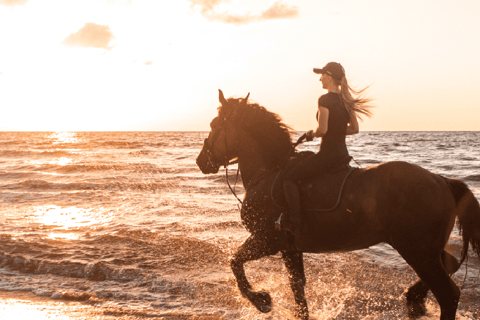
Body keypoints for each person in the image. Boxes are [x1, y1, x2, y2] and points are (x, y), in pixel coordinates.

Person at [280, 62, 373, 234]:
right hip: (343, 154)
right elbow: (354, 129)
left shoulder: (324, 100)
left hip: (328, 155)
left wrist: (310, 134)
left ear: (329, 77)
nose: (320, 79)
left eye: (322, 76)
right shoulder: (347, 100)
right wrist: (335, 130)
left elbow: (322, 130)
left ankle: (295, 222)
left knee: (289, 179)